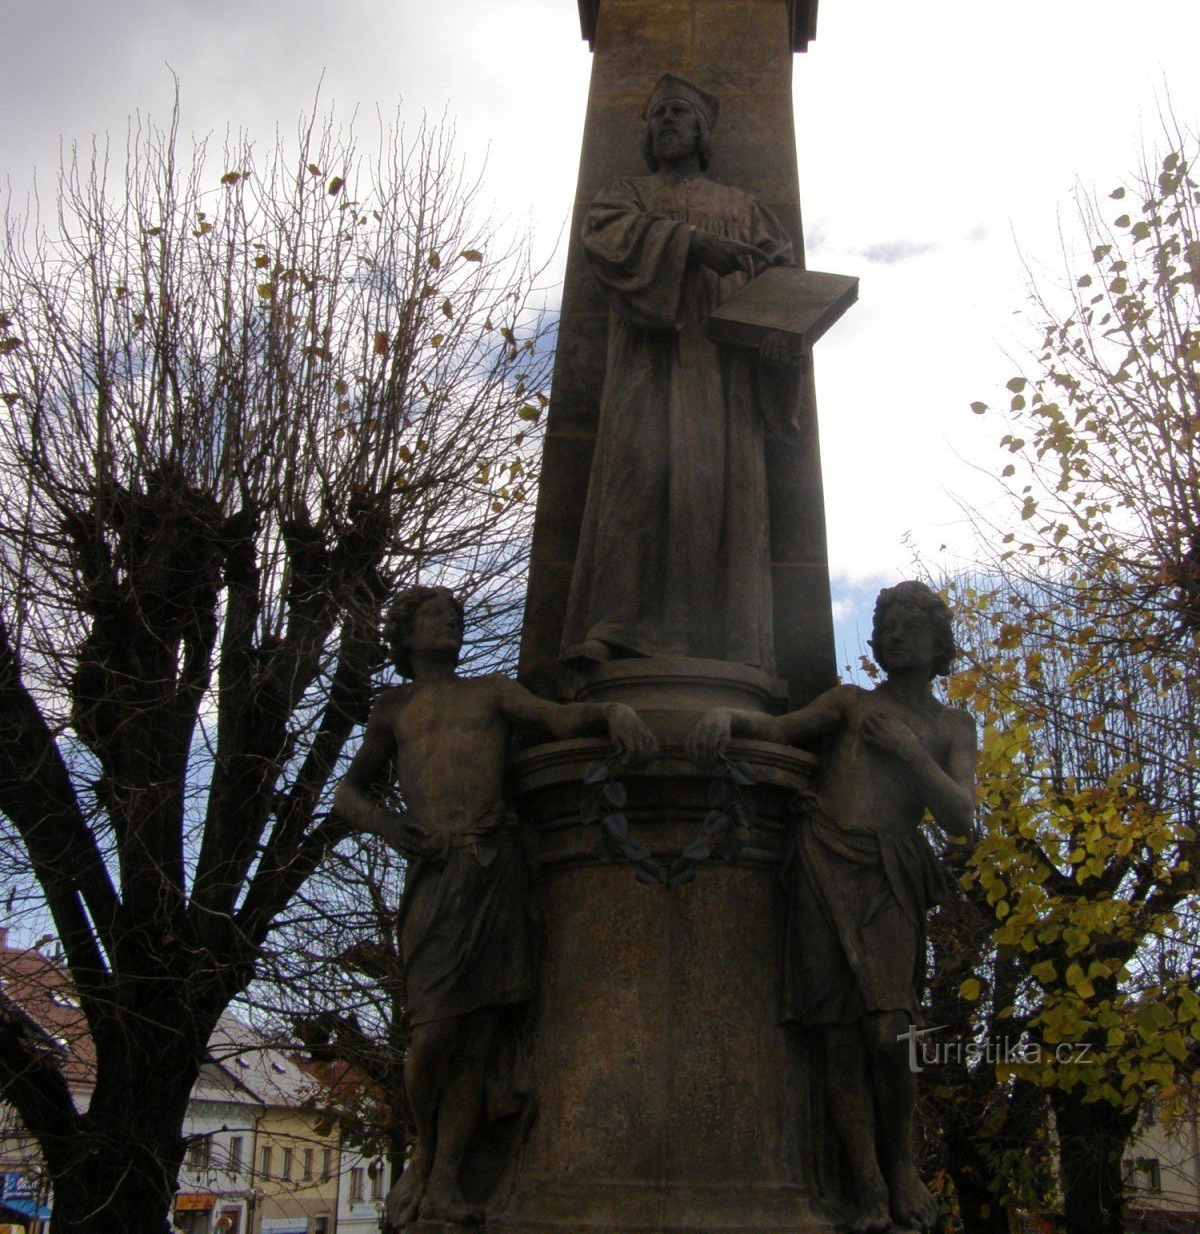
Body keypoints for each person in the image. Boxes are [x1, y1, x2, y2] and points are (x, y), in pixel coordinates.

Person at [334, 586, 656, 1228]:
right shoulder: (394, 706)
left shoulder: (491, 692)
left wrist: (611, 711)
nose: (447, 623)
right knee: (431, 1036)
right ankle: (425, 1151)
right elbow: (347, 792)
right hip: (438, 873)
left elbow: (559, 719)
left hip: (494, 870)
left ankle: (448, 1177)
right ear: (404, 635)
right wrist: (388, 826)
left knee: (477, 1038)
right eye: (433, 616)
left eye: (454, 615)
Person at [689, 582, 977, 1234]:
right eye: (887, 623)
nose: (896, 633)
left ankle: (898, 1162)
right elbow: (779, 728)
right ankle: (866, 1184)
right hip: (822, 863)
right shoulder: (847, 704)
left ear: (938, 643)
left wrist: (905, 747)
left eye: (910, 623)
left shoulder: (952, 726)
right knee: (839, 1036)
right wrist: (729, 719)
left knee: (892, 1032)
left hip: (887, 875)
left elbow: (960, 815)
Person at [562, 73, 802, 672]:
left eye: (679, 112)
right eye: (658, 113)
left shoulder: (745, 209)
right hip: (648, 364)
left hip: (724, 378)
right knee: (635, 482)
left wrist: (780, 344)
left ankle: (725, 639)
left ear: (700, 131)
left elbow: (785, 290)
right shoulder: (626, 195)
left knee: (712, 493)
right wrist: (692, 246)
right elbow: (607, 240)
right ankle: (616, 625)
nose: (667, 121)